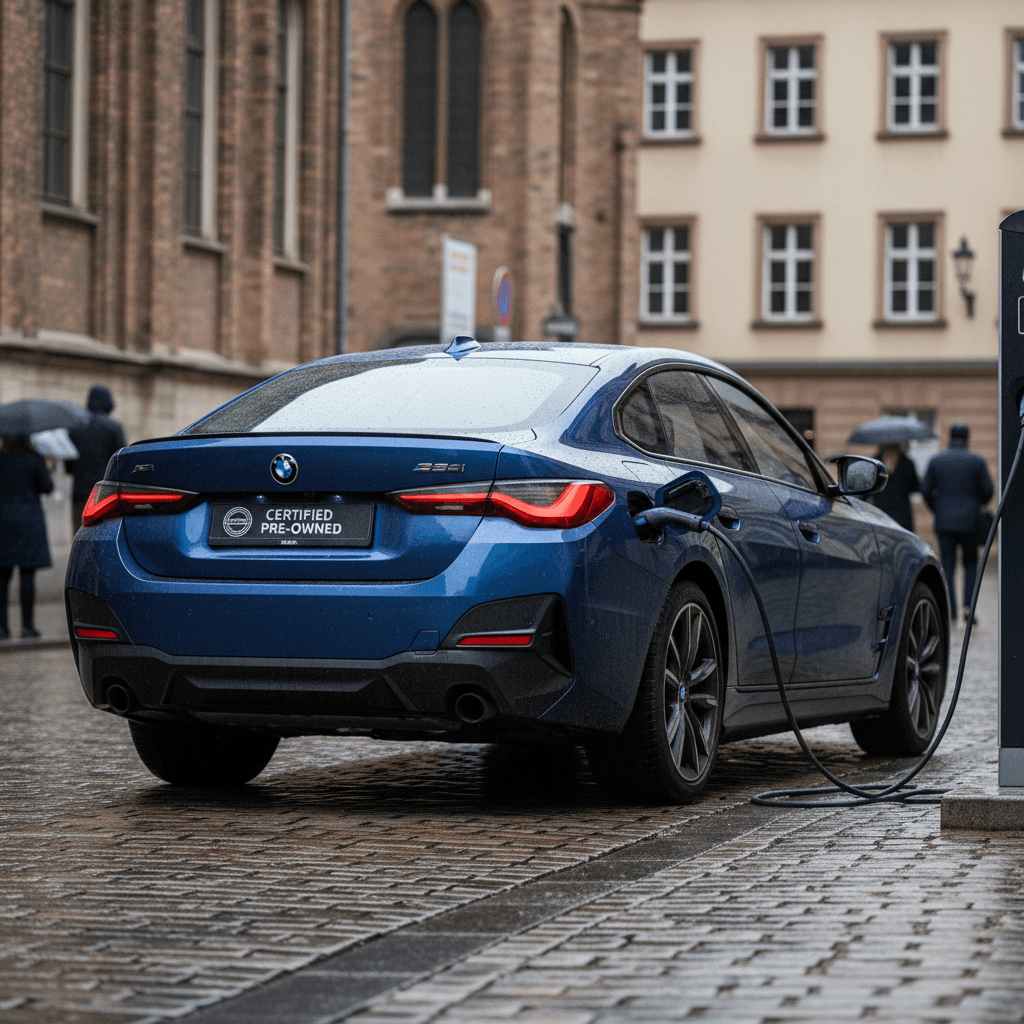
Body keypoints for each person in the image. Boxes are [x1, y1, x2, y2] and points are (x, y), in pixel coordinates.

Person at [921, 423, 994, 622]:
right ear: (968, 437)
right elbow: (988, 490)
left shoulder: (936, 460)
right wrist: (976, 504)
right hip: (971, 522)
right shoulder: (976, 460)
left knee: (947, 565)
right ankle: (968, 607)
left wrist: (938, 508)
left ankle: (950, 611)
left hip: (944, 523)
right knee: (970, 564)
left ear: (949, 436)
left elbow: (925, 491)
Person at [0, 435, 54, 639]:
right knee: (27, 576)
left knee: (2, 578)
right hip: (28, 522)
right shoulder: (34, 458)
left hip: (2, 522)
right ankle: (27, 626)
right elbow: (47, 487)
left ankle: (2, 627)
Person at [66, 385, 126, 530]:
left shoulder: (75, 428)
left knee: (80, 536)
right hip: (105, 495)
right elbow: (121, 461)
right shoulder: (113, 427)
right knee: (104, 536)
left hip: (80, 494)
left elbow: (69, 466)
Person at [868, 442, 919, 532]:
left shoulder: (874, 463)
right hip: (901, 514)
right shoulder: (907, 463)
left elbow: (869, 488)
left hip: (881, 514)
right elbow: (915, 487)